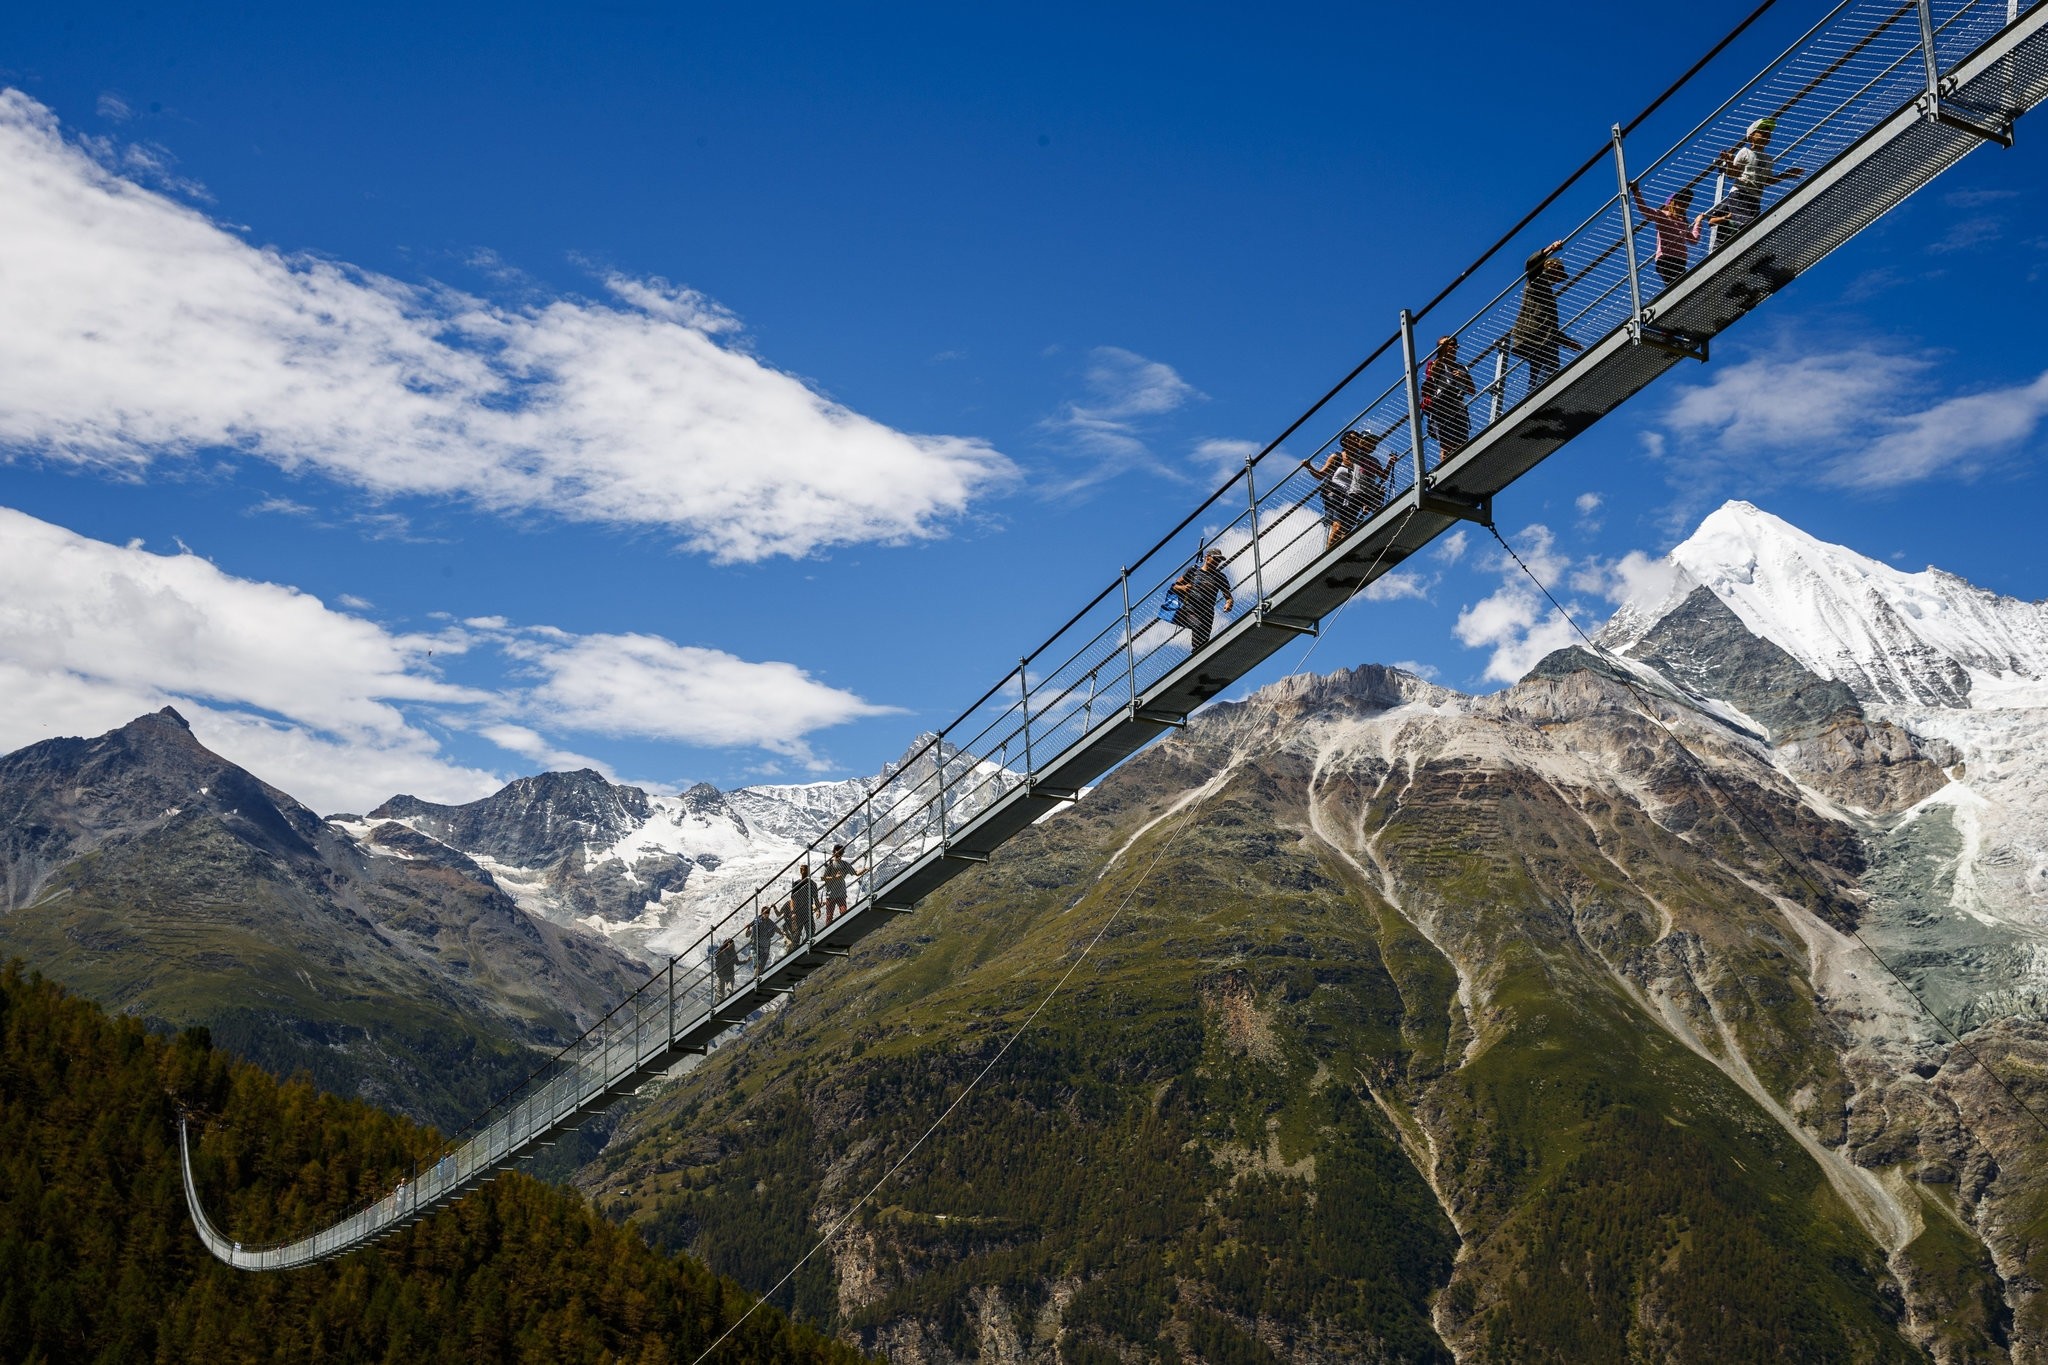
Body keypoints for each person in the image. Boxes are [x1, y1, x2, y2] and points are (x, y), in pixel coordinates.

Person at [1510, 240, 1583, 392]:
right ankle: (1539, 398)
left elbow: (1549, 325)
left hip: (1537, 336)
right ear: (1550, 268)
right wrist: (1549, 250)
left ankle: (1533, 400)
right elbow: (1530, 264)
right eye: (1558, 274)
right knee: (1550, 364)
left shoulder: (1547, 291)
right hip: (1534, 335)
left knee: (1538, 369)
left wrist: (1567, 342)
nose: (1558, 279)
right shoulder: (1536, 279)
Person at [1716, 116, 1804, 238]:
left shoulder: (1768, 159)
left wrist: (1787, 174)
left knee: (1754, 225)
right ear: (1751, 136)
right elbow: (1732, 174)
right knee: (1748, 225)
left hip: (1756, 197)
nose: (1767, 134)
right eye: (1762, 132)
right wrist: (1729, 162)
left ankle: (1750, 249)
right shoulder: (1745, 152)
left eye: (1768, 133)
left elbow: (1767, 181)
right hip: (1740, 194)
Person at [1628, 180, 1716, 292]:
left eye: (1686, 204)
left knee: (1684, 289)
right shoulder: (1663, 215)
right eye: (1681, 202)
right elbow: (1645, 210)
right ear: (1672, 203)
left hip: (1680, 261)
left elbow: (1694, 240)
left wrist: (1698, 222)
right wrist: (1636, 191)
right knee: (1677, 288)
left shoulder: (1683, 223)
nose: (1684, 205)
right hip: (1666, 259)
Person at [1420, 337, 1477, 464]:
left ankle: (1462, 465)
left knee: (1462, 442)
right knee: (1447, 444)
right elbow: (1433, 373)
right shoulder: (1437, 363)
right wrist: (1441, 353)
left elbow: (1472, 390)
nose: (1447, 347)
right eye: (1443, 345)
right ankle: (1446, 469)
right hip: (1441, 404)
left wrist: (1464, 377)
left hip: (1458, 405)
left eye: (1450, 344)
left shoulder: (1462, 368)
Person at [1170, 548, 1234, 651]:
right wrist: (1184, 588)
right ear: (1207, 558)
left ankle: (1198, 652)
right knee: (1197, 625)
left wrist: (1228, 603)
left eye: (1219, 560)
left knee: (1204, 640)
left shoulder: (1220, 577)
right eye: (1215, 559)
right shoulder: (1193, 571)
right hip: (1191, 608)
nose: (1217, 562)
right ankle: (1196, 651)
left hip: (1207, 612)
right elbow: (1175, 587)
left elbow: (1228, 597)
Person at [820, 843, 863, 924]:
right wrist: (834, 877)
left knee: (843, 913)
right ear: (834, 851)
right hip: (831, 894)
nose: (840, 853)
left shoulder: (845, 864)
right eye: (838, 851)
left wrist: (864, 869)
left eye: (841, 851)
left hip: (841, 893)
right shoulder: (830, 864)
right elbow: (823, 878)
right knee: (829, 916)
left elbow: (855, 873)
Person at [785, 863, 818, 942]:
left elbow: (816, 899)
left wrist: (818, 909)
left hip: (807, 911)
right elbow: (792, 899)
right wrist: (793, 911)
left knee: (811, 931)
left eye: (804, 870)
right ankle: (795, 948)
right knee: (797, 934)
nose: (802, 871)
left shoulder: (812, 884)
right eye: (801, 870)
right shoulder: (796, 884)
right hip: (798, 911)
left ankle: (805, 944)